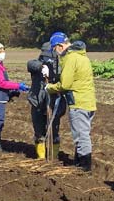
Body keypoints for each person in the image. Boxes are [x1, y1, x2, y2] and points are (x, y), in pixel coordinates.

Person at [46, 32, 96, 172]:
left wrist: (49, 88)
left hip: (78, 102)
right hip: (88, 101)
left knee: (81, 136)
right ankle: (79, 163)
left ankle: (84, 167)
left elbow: (65, 84)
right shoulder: (82, 56)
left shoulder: (71, 58)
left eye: (55, 49)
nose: (56, 53)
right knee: (83, 133)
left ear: (60, 46)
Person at [0, 42, 28, 151]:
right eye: (0, 51)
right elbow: (1, 83)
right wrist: (18, 85)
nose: (3, 53)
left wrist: (12, 90)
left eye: (3, 50)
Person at [26, 41, 66, 159]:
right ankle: (41, 157)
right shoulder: (36, 64)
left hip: (54, 105)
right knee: (39, 132)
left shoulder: (60, 66)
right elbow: (30, 64)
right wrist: (41, 67)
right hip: (37, 103)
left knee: (54, 132)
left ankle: (53, 157)